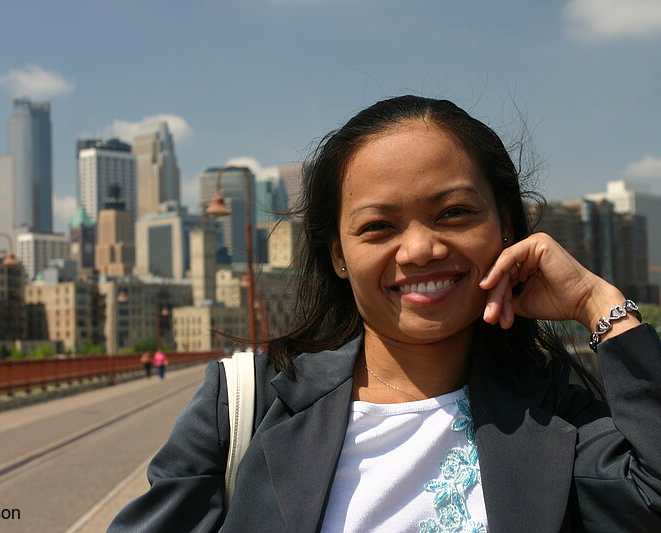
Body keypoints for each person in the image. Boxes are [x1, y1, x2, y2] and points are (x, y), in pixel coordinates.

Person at [108, 96, 661, 532]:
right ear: (338, 256)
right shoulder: (245, 403)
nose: (420, 249)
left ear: (507, 229)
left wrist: (597, 303)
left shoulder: (560, 411)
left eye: (455, 213)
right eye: (378, 226)